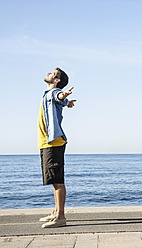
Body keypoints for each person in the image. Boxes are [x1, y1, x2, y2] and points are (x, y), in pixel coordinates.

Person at [37, 67, 76, 228]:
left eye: (52, 73)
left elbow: (58, 96)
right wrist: (67, 102)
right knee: (53, 181)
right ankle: (56, 212)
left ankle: (60, 217)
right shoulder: (48, 95)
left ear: (56, 80)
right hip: (47, 143)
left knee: (58, 181)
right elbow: (60, 100)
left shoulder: (54, 92)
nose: (48, 73)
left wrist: (64, 96)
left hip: (53, 143)